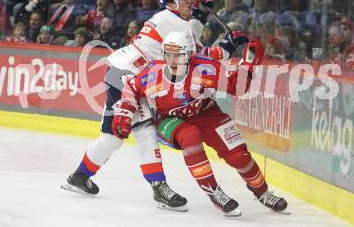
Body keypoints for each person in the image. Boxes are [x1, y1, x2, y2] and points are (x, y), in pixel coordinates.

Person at [62, 0, 249, 211]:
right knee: (145, 129)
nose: (190, 0)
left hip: (118, 72)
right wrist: (228, 45)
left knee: (112, 136)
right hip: (129, 77)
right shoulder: (174, 24)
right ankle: (159, 187)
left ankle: (79, 177)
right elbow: (200, 56)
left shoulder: (170, 19)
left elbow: (190, 32)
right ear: (170, 2)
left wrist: (200, 15)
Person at [111, 32, 288, 216]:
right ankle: (214, 192)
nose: (172, 60)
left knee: (239, 156)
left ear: (188, 54)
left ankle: (262, 192)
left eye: (178, 55)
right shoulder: (153, 74)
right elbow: (131, 88)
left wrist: (249, 63)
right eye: (168, 54)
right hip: (169, 119)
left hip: (206, 113)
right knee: (190, 136)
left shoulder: (206, 68)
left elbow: (237, 87)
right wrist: (123, 114)